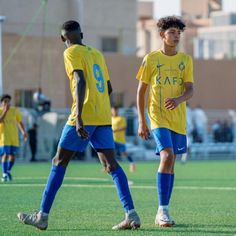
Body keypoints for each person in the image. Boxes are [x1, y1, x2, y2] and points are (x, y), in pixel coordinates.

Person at [17, 20, 140, 231]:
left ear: (62, 39)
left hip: (83, 115)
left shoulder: (70, 52)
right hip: (102, 116)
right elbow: (109, 88)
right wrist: (99, 106)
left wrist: (81, 117)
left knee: (59, 161)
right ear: (81, 34)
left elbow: (80, 80)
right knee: (111, 165)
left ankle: (42, 216)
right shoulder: (97, 54)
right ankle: (131, 214)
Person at [136, 16, 194, 227]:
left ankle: (164, 209)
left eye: (179, 32)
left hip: (178, 120)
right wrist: (142, 121)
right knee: (167, 155)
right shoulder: (151, 59)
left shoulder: (185, 60)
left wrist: (179, 100)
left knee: (171, 163)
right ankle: (162, 210)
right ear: (162, 35)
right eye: (172, 32)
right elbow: (141, 91)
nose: (176, 35)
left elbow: (190, 89)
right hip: (157, 116)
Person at [0, 94, 28, 182]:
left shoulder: (15, 110)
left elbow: (19, 122)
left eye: (8, 101)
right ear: (1, 103)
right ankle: (4, 174)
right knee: (5, 154)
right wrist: (5, 111)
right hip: (4, 137)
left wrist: (24, 132)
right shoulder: (0, 111)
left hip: (14, 137)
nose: (7, 103)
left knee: (12, 156)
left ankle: (8, 171)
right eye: (5, 102)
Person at [111, 106, 136, 172]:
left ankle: (132, 163)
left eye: (115, 110)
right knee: (111, 153)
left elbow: (124, 127)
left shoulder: (121, 118)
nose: (114, 112)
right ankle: (109, 165)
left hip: (120, 140)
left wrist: (115, 130)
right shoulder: (110, 119)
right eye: (113, 110)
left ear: (118, 111)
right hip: (112, 140)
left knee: (124, 153)